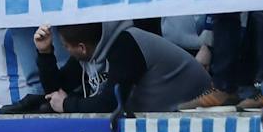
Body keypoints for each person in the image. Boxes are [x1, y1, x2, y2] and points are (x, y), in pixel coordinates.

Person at [33, 21, 211, 112]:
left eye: (65, 46)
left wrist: (67, 104)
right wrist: (45, 52)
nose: (66, 50)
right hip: (165, 108)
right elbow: (54, 91)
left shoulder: (126, 45)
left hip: (197, 104)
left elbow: (110, 104)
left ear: (81, 47)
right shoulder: (91, 50)